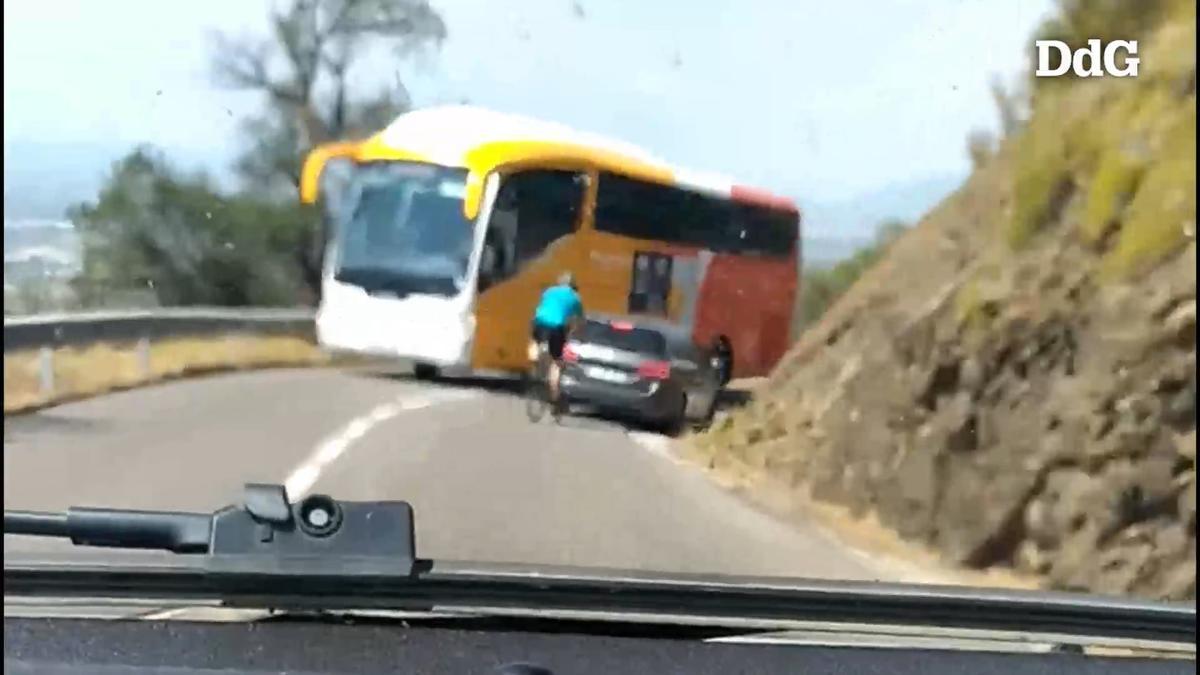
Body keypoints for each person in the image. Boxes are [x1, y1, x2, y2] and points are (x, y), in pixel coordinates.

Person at [530, 271, 584, 402]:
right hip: (557, 327)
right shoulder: (575, 297)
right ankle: (554, 395)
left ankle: (534, 359)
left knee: (534, 341)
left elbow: (541, 306)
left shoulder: (549, 291)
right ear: (573, 286)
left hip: (540, 322)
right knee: (557, 362)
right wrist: (576, 332)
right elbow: (579, 319)